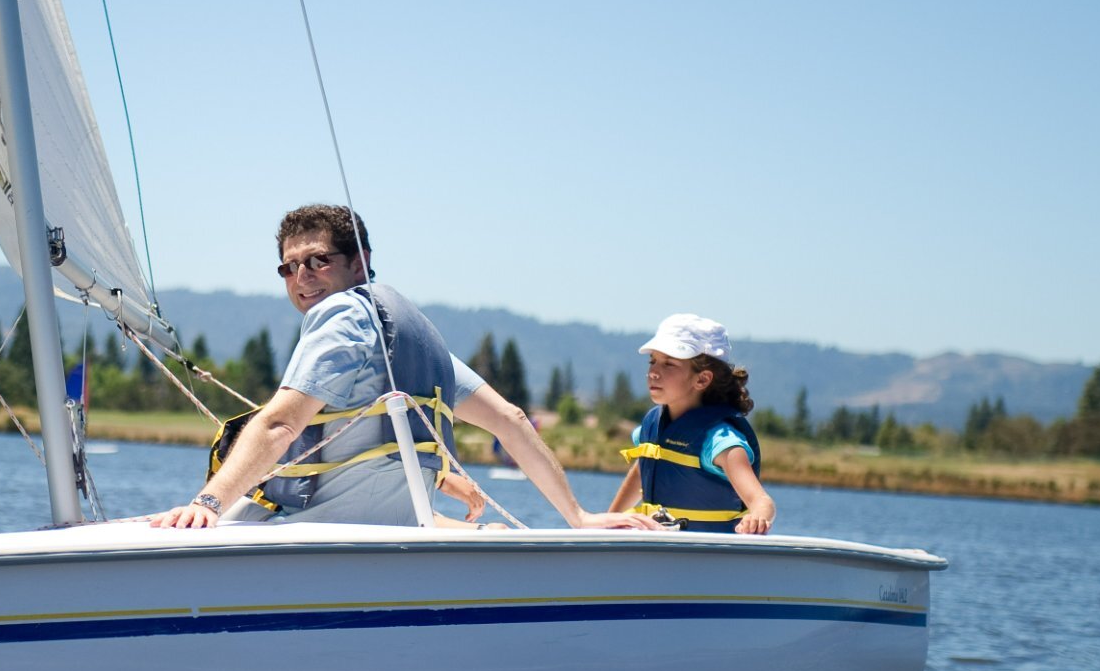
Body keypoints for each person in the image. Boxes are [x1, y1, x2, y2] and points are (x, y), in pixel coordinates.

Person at [152, 205, 659, 530]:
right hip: (393, 533)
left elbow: (283, 424)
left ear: (360, 262)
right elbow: (511, 419)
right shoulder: (408, 334)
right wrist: (579, 516)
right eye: (289, 266)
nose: (301, 277)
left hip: (315, 531)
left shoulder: (342, 312)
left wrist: (210, 503)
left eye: (318, 260)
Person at [608, 313, 777, 534]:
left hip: (707, 557)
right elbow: (642, 472)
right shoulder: (652, 428)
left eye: (669, 364)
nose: (653, 372)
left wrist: (757, 519)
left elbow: (763, 502)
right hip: (658, 552)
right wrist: (607, 522)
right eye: (653, 361)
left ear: (702, 379)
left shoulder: (721, 442)